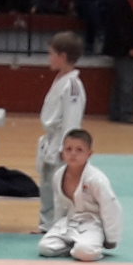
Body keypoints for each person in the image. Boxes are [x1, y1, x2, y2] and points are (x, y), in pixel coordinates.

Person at [38, 128, 122, 261]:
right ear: (62, 153)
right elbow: (59, 205)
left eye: (79, 150)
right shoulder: (59, 175)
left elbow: (110, 207)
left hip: (92, 224)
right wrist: (56, 225)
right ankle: (74, 246)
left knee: (84, 252)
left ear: (89, 154)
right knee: (45, 248)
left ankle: (87, 246)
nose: (73, 154)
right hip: (68, 223)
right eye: (68, 149)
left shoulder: (96, 179)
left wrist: (111, 238)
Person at [35, 31, 87, 233]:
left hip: (62, 143)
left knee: (60, 190)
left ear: (63, 56)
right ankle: (46, 225)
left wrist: (68, 148)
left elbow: (72, 121)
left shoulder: (73, 86)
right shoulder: (60, 79)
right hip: (51, 141)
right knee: (47, 186)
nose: (49, 58)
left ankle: (61, 228)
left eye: (51, 54)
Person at [100, 0, 133, 124]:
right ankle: (126, 113)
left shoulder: (122, 0)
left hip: (119, 46)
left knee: (120, 81)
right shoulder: (120, 2)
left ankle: (116, 112)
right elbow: (122, 27)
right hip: (122, 48)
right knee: (127, 81)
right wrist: (131, 45)